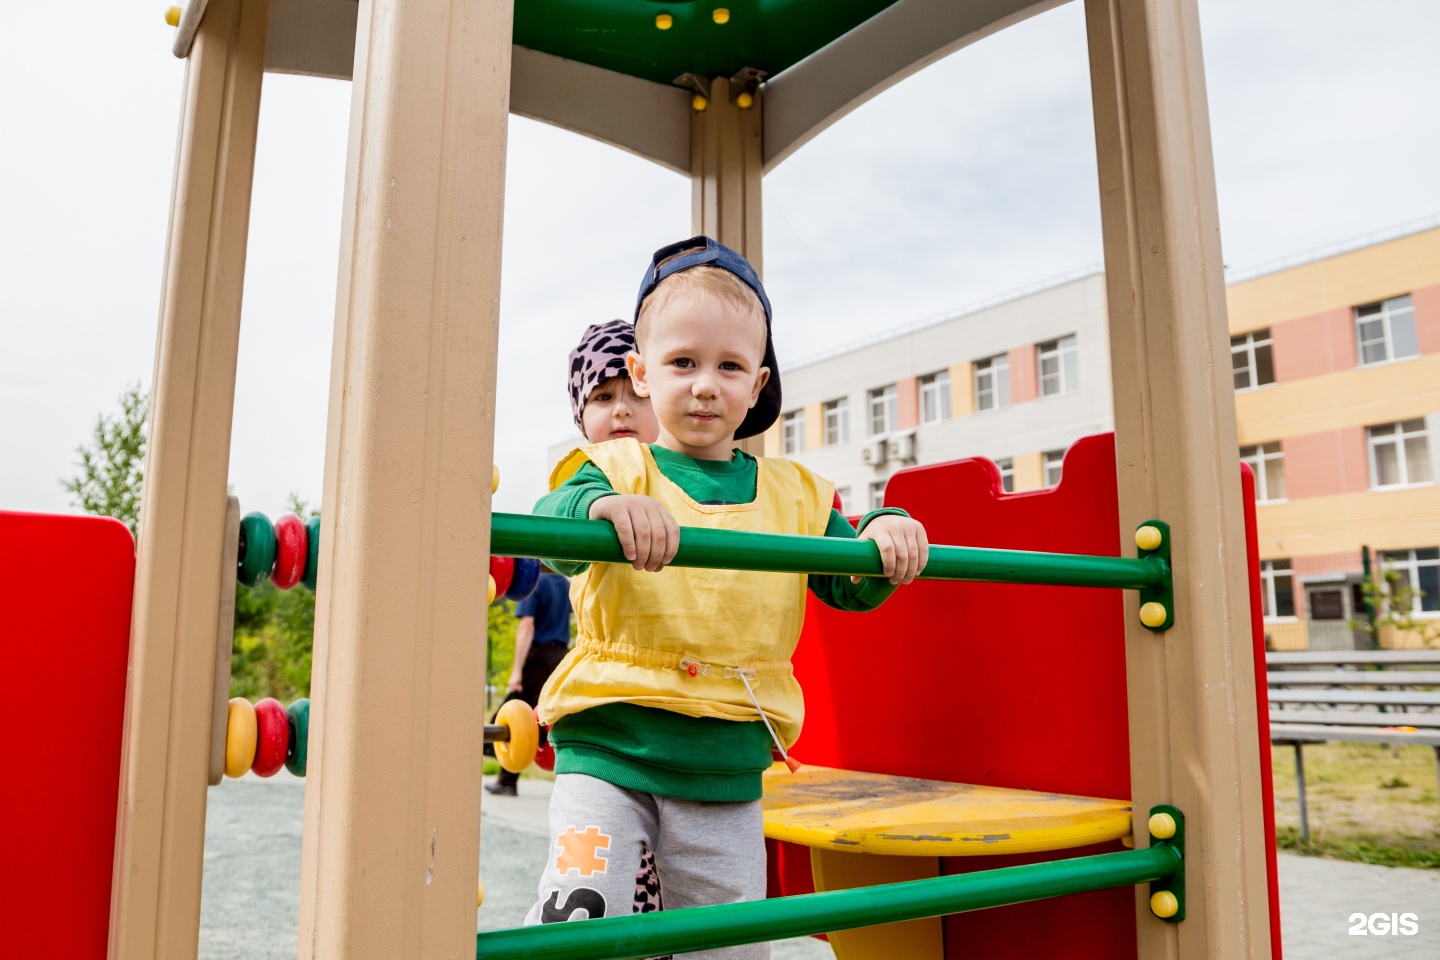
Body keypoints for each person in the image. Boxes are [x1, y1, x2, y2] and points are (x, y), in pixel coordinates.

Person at [523, 237, 928, 958]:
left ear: (758, 383)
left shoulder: (795, 495)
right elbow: (550, 526)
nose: (706, 385)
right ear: (642, 375)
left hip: (726, 767)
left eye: (729, 367)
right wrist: (601, 511)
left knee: (729, 941)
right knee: (583, 912)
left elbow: (848, 578)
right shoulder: (616, 465)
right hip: (610, 746)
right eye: (683, 363)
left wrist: (886, 535)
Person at [485, 570, 573, 796]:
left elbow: (527, 626)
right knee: (547, 717)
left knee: (519, 714)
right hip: (561, 656)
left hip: (538, 656)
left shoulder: (534, 582)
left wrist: (516, 672)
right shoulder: (564, 584)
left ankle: (506, 781)